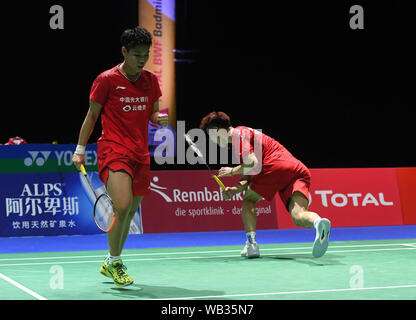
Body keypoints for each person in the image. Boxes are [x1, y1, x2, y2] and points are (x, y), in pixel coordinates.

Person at [72, 26, 168, 286]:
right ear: (124, 51)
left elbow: (152, 113)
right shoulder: (107, 80)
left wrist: (158, 119)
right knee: (122, 206)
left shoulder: (150, 80)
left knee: (130, 211)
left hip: (140, 152)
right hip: (113, 148)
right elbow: (92, 116)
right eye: (137, 54)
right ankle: (116, 262)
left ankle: (111, 261)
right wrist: (80, 150)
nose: (141, 60)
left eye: (145, 55)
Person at [200, 111, 331, 259]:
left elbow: (253, 163)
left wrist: (232, 171)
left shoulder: (237, 134)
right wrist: (235, 189)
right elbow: (250, 173)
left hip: (273, 165)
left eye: (210, 135)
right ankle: (318, 222)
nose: (212, 140)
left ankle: (252, 245)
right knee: (299, 216)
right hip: (296, 169)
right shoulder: (244, 133)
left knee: (249, 201)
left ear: (217, 130)